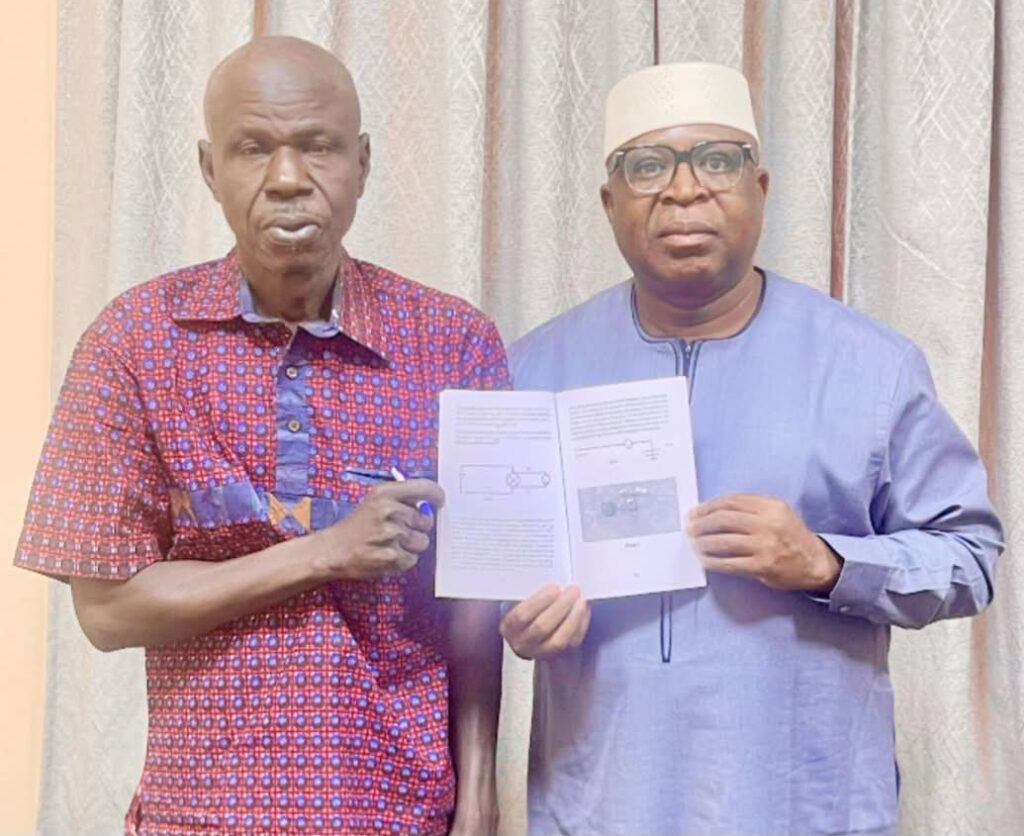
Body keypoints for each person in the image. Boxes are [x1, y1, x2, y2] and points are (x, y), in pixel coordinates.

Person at [15, 36, 506, 836]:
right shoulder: (135, 341)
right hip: (197, 814)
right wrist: (325, 552)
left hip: (400, 810)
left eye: (318, 146)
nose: (286, 178)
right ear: (210, 168)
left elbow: (478, 600)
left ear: (362, 163)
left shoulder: (454, 342)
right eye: (252, 148)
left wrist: (479, 793)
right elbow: (107, 610)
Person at [501, 62, 1002, 836]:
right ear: (609, 203)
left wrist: (828, 563)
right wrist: (520, 620)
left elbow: (970, 557)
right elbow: (498, 582)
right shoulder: (533, 371)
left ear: (760, 189)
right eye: (647, 167)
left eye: (717, 161)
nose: (683, 192)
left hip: (803, 805)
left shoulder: (869, 366)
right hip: (600, 805)